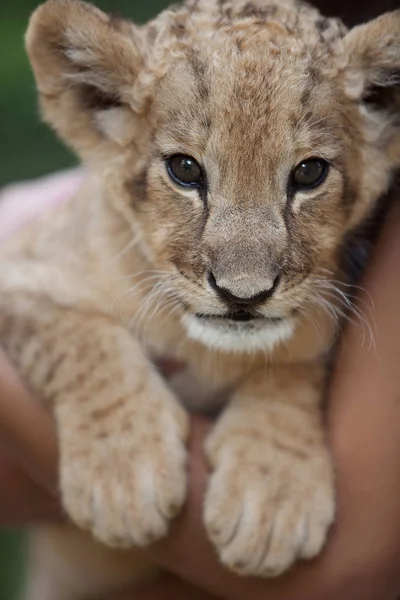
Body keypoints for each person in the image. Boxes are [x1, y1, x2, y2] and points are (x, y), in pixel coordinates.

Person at [1, 0, 400, 597]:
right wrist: (100, 396)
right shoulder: (89, 242)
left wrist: (282, 405)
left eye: (308, 174)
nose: (247, 277)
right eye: (186, 171)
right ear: (96, 105)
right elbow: (20, 291)